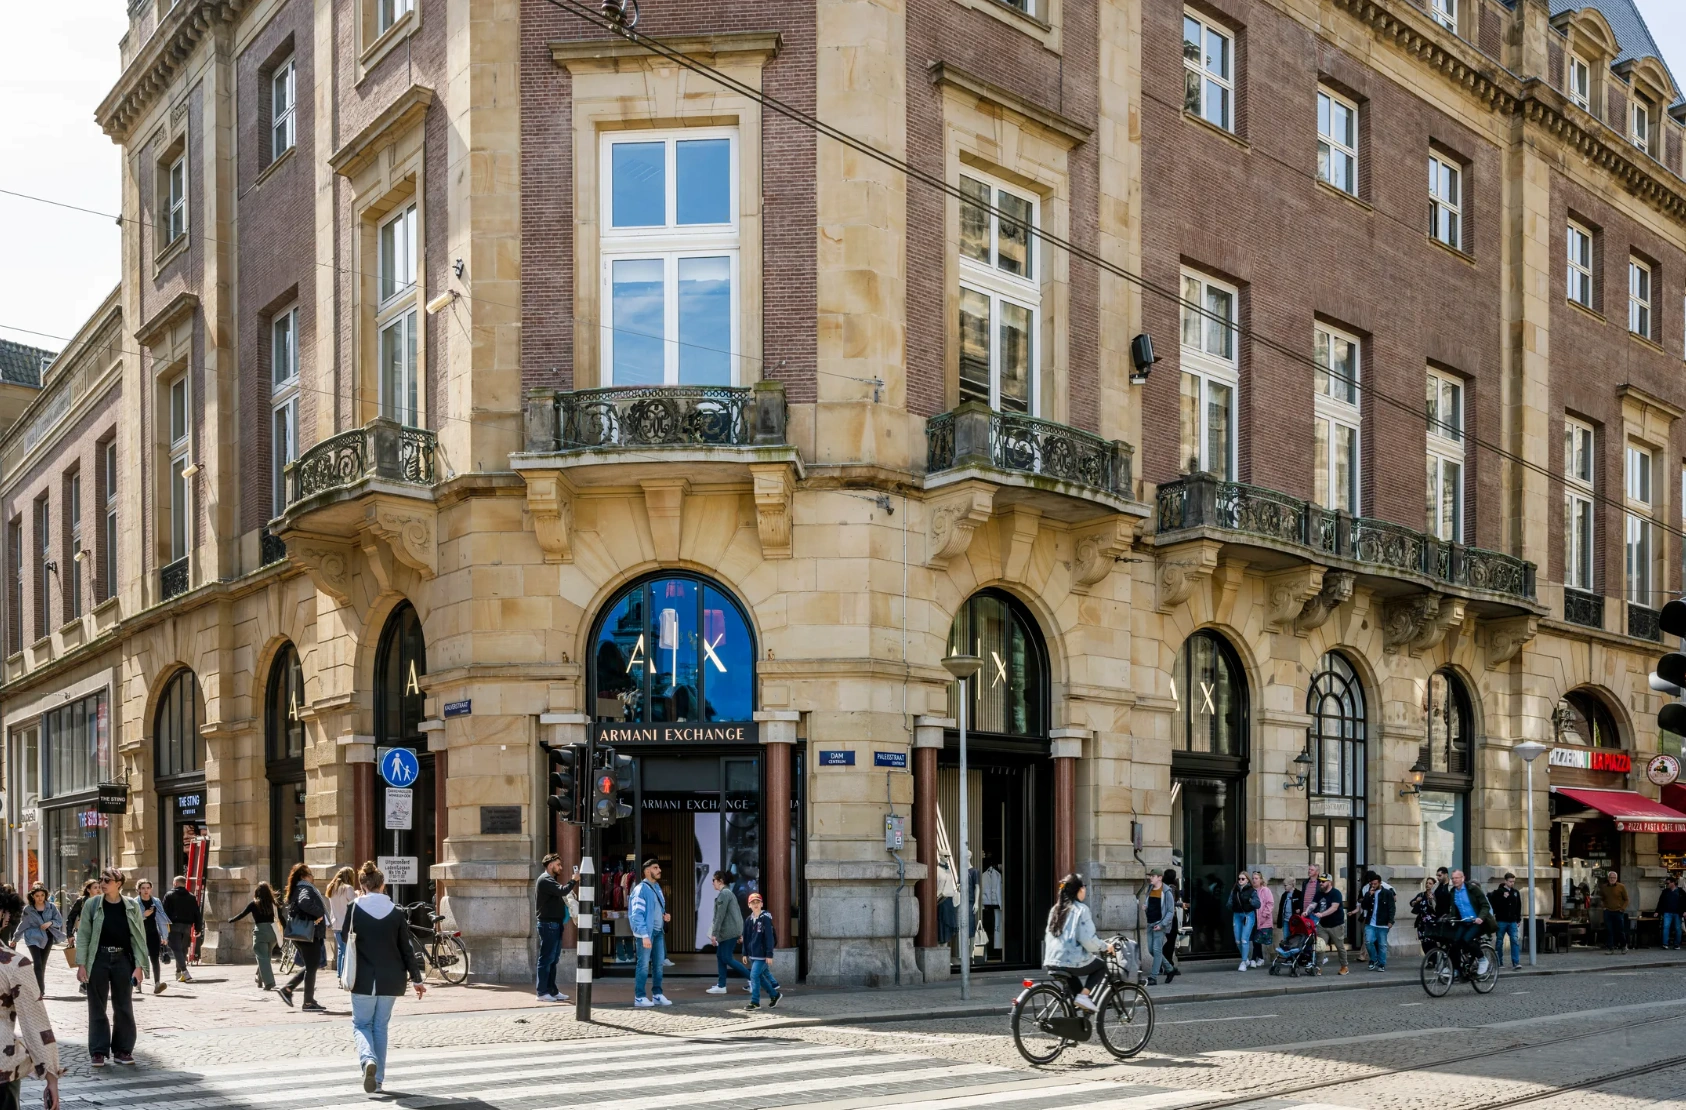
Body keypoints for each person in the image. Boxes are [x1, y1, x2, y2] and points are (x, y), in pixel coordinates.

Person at [339, 864, 426, 1094]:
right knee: (380, 1027)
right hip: (391, 978)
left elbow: (345, 936)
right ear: (382, 884)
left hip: (362, 977)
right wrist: (417, 979)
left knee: (361, 1024)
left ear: (362, 885)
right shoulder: (396, 911)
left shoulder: (354, 908)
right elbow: (406, 948)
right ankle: (377, 1080)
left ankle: (368, 1060)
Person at [74, 867, 149, 1067]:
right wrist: (81, 964)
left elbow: (139, 938)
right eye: (101, 879)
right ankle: (98, 1051)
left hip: (123, 959)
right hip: (98, 958)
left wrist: (139, 966)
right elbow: (83, 936)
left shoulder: (132, 906)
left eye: (108, 879)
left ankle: (123, 1050)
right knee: (97, 1006)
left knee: (124, 1005)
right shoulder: (92, 904)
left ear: (119, 884)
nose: (103, 883)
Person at [0, 884, 62, 1110]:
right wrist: (51, 1077)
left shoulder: (15, 964)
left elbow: (35, 1021)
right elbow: (35, 1022)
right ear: (5, 917)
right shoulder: (14, 963)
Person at [1042, 873, 1113, 1012]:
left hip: (1052, 959)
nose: (1085, 890)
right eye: (1084, 886)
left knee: (1075, 995)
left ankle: (1075, 1013)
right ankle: (1084, 997)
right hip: (1070, 960)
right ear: (1079, 889)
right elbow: (1087, 939)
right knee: (1101, 967)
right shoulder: (1081, 909)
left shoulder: (1056, 909)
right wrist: (1105, 947)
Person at [277, 863, 328, 1011]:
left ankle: (289, 990)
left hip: (300, 934)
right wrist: (318, 914)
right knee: (312, 966)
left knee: (311, 965)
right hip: (308, 934)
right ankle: (307, 1002)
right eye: (310, 874)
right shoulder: (305, 888)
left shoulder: (297, 888)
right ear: (303, 876)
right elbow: (304, 903)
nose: (313, 877)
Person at [627, 858, 671, 1008]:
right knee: (644, 965)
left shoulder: (657, 887)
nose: (659, 870)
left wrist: (665, 916)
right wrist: (644, 935)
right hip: (646, 934)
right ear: (647, 871)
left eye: (659, 867)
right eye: (655, 867)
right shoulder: (640, 889)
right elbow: (636, 914)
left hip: (658, 932)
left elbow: (656, 909)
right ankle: (639, 997)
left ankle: (657, 995)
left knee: (658, 965)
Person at [533, 853, 577, 1003]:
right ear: (550, 865)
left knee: (553, 959)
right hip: (548, 925)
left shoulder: (550, 880)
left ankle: (552, 991)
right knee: (546, 959)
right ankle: (542, 992)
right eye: (558, 865)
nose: (561, 867)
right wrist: (573, 881)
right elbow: (562, 890)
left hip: (555, 925)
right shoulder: (545, 880)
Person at [15, 885, 65, 999]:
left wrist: (50, 923)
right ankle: (39, 990)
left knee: (42, 964)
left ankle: (37, 987)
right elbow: (23, 924)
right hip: (33, 937)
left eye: (42, 895)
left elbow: (59, 921)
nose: (40, 898)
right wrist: (15, 939)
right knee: (37, 964)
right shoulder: (28, 909)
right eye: (37, 896)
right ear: (32, 896)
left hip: (47, 937)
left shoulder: (51, 907)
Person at [229, 882, 280, 991]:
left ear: (257, 892)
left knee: (263, 959)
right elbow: (281, 919)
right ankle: (260, 979)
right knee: (266, 958)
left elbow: (242, 914)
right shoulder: (273, 903)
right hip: (272, 933)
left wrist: (231, 920)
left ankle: (270, 983)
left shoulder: (254, 904)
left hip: (260, 933)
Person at [1445, 869, 1495, 975]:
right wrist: (1450, 918)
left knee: (1467, 940)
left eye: (1457, 878)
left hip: (1477, 922)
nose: (1454, 880)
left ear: (1463, 878)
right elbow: (1454, 909)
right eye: (1453, 878)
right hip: (1464, 922)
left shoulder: (1473, 889)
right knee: (1455, 943)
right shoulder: (1453, 892)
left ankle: (1482, 959)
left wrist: (1480, 917)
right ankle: (1456, 969)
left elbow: (1485, 905)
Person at [707, 870, 748, 994]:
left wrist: (714, 934)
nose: (712, 883)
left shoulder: (724, 894)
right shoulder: (728, 893)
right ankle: (721, 985)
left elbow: (720, 916)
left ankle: (752, 978)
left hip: (728, 932)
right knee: (721, 956)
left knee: (726, 957)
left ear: (720, 881)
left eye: (714, 880)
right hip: (730, 931)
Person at [741, 891, 781, 1010]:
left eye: (758, 902)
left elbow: (769, 937)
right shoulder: (748, 920)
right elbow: (746, 937)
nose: (755, 904)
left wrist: (769, 954)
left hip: (763, 955)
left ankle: (755, 1002)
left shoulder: (765, 919)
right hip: (753, 954)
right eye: (753, 902)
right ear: (749, 905)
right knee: (759, 977)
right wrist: (744, 953)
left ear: (762, 904)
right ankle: (774, 995)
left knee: (753, 975)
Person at [161, 876, 201, 984]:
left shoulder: (169, 895)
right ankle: (179, 973)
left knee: (176, 949)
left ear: (175, 883)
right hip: (187, 926)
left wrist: (162, 928)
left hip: (173, 925)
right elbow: (197, 913)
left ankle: (184, 971)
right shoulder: (191, 897)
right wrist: (198, 928)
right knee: (183, 949)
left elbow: (164, 912)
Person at [133, 880, 171, 994]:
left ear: (151, 889)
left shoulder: (156, 901)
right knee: (138, 959)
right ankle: (138, 984)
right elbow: (132, 919)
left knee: (155, 958)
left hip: (153, 933)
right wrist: (144, 915)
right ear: (139, 889)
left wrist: (164, 936)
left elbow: (162, 919)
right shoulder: (134, 902)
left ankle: (157, 983)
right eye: (143, 888)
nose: (146, 890)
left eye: (148, 888)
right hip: (139, 934)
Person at [63, 879, 98, 999]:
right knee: (85, 957)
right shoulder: (81, 901)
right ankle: (85, 983)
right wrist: (69, 935)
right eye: (95, 887)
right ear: (88, 890)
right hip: (83, 934)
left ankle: (88, 983)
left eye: (99, 887)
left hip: (98, 934)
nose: (98, 889)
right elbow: (71, 918)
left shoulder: (102, 901)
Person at [1358, 871, 1395, 972]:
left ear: (1380, 883)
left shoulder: (1387, 893)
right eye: (1371, 884)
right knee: (1368, 941)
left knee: (1382, 945)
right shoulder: (1368, 893)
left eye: (1375, 884)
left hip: (1382, 923)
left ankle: (1381, 963)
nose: (1373, 886)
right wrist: (1369, 896)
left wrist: (1391, 921)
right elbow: (1364, 906)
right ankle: (1373, 959)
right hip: (1370, 922)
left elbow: (1391, 907)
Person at [1311, 874, 1348, 975]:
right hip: (1322, 925)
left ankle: (1344, 966)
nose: (1321, 883)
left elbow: (1334, 908)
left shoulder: (1336, 893)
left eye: (1323, 881)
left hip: (1336, 924)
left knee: (1340, 946)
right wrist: (1306, 911)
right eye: (1320, 881)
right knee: (1320, 946)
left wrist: (1321, 914)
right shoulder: (1319, 893)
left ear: (1329, 882)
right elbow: (1313, 904)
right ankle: (1318, 967)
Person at [1143, 871, 1175, 986]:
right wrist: (1145, 906)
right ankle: (1170, 969)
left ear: (1160, 878)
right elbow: (1150, 903)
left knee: (1156, 950)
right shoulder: (1150, 888)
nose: (1150, 878)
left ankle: (1153, 977)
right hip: (1150, 923)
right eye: (1150, 876)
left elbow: (1171, 912)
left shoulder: (1167, 892)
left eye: (1153, 876)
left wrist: (1161, 925)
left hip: (1159, 924)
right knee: (1152, 950)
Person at [325, 867, 358, 980]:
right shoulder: (348, 889)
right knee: (345, 951)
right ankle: (344, 976)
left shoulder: (331, 888)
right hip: (346, 924)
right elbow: (355, 904)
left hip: (335, 923)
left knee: (341, 950)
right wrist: (358, 894)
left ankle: (340, 975)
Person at [1226, 871, 1259, 971]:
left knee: (1244, 939)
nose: (1240, 880)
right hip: (1237, 915)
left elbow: (1258, 904)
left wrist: (1250, 901)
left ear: (1247, 880)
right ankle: (1246, 959)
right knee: (1238, 940)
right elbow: (1229, 903)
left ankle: (1244, 961)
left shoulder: (1252, 891)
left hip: (1248, 915)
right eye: (1239, 879)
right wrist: (1231, 905)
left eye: (1243, 879)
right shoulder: (1234, 890)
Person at [1490, 873, 1523, 970]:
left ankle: (1516, 962)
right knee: (1499, 942)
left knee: (1514, 940)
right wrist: (1503, 897)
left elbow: (1518, 906)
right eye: (1510, 881)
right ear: (1505, 881)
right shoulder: (1498, 892)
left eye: (1513, 881)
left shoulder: (1515, 892)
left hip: (1512, 920)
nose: (1512, 883)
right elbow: (1495, 905)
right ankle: (1499, 962)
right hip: (1501, 920)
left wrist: (1518, 919)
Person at [1249, 872, 1274, 969]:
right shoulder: (1251, 891)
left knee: (1257, 940)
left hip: (1263, 919)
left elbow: (1270, 903)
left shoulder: (1265, 890)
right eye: (1253, 878)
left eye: (1256, 878)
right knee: (1255, 940)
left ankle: (1253, 959)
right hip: (1253, 918)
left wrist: (1264, 915)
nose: (1254, 880)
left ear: (1261, 880)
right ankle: (1261, 958)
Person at [1601, 871, 1629, 953]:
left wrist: (1622, 908)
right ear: (1608, 878)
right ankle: (1610, 948)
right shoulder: (1604, 887)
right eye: (1610, 877)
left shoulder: (1621, 887)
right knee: (1609, 930)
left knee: (1620, 930)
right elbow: (1601, 898)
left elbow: (1626, 899)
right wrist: (1603, 907)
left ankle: (1624, 946)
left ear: (1616, 879)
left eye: (1614, 878)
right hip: (1608, 911)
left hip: (1618, 911)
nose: (1612, 879)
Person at [1657, 875, 1684, 950]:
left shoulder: (1680, 891)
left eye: (1668, 883)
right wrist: (1657, 911)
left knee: (1677, 928)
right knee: (1666, 927)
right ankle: (1665, 943)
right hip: (1667, 911)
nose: (1667, 885)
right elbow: (1660, 902)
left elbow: (1684, 902)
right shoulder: (1665, 892)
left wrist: (1684, 911)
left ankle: (1677, 944)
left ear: (1673, 883)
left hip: (1677, 912)